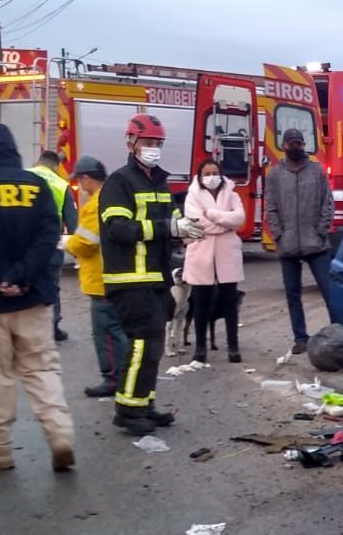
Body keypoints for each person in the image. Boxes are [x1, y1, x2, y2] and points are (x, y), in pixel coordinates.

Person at [0, 123, 76, 473]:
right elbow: (49, 234)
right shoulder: (35, 184)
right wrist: (22, 274)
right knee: (41, 369)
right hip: (33, 298)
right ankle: (59, 435)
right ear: (13, 150)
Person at [100, 114, 202, 436]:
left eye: (158, 143)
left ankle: (145, 403)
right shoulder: (119, 182)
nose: (154, 149)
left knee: (154, 345)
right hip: (129, 278)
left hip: (155, 277)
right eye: (148, 143)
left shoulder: (159, 181)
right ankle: (127, 410)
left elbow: (172, 220)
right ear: (131, 143)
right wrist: (167, 228)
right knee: (142, 343)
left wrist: (183, 230)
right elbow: (118, 229)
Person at [264, 127, 334, 355]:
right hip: (289, 244)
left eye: (299, 143)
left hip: (317, 244)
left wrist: (321, 230)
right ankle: (300, 337)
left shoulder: (316, 171)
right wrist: (279, 234)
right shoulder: (275, 175)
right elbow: (271, 208)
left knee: (330, 292)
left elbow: (327, 202)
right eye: (291, 144)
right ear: (283, 146)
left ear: (304, 145)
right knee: (292, 294)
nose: (295, 147)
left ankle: (337, 334)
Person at [64, 155, 129, 397]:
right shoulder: (114, 196)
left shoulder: (94, 204)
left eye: (80, 180)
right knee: (119, 330)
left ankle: (113, 379)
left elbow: (86, 243)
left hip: (100, 280)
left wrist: (67, 243)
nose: (80, 186)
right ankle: (125, 377)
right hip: (115, 275)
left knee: (107, 333)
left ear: (86, 178)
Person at [183, 158, 246, 363]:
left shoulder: (233, 194)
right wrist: (224, 222)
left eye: (214, 172)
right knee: (201, 302)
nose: (211, 177)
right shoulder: (192, 197)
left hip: (227, 253)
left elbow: (240, 218)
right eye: (206, 174)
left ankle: (233, 347)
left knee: (230, 302)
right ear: (200, 177)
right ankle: (200, 348)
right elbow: (195, 224)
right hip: (201, 253)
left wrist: (211, 214)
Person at [30, 148, 78, 342]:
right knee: (52, 285)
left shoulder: (23, 177)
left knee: (28, 283)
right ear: (56, 166)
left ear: (38, 162)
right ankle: (53, 325)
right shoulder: (61, 184)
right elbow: (73, 223)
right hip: (50, 245)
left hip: (25, 244)